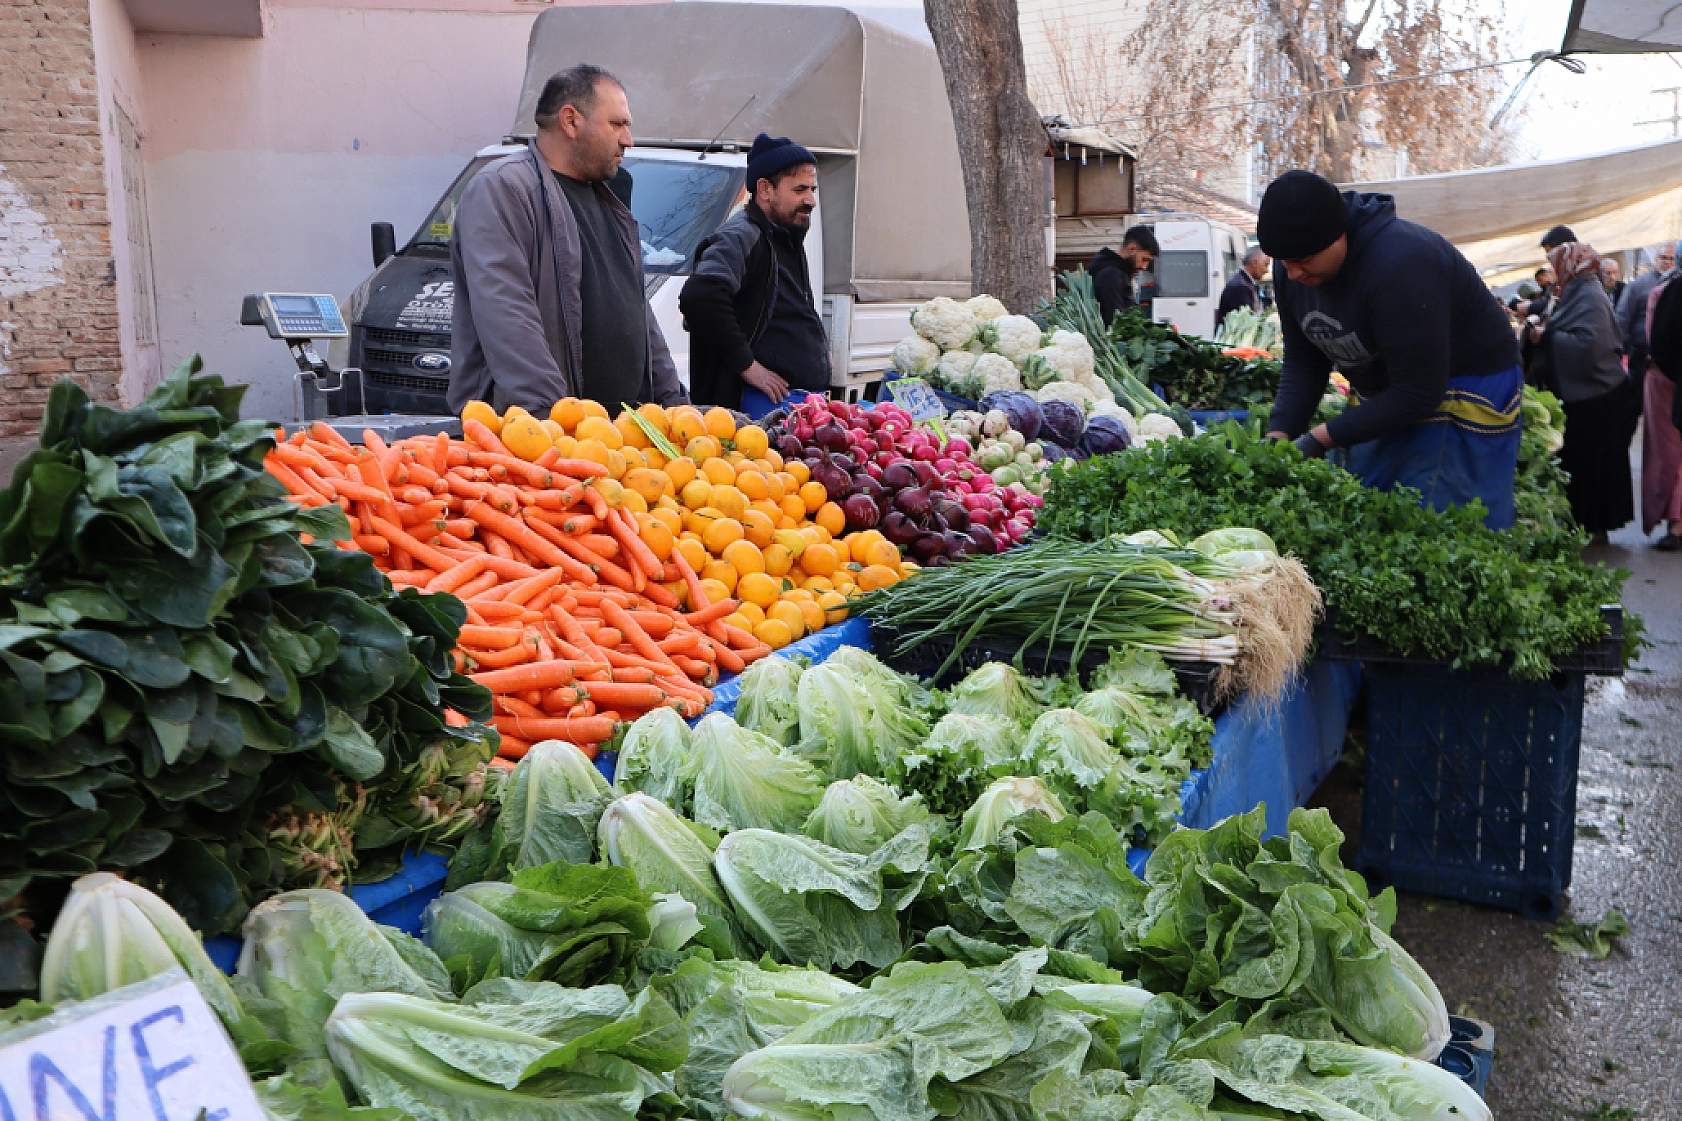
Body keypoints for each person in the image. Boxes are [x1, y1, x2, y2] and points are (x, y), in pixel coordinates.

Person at [1257, 170, 1522, 528]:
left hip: (1465, 388)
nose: (1292, 274)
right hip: (1391, 390)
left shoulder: (1400, 263)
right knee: (1378, 513)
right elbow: (1305, 359)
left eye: (1303, 261)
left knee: (1441, 523)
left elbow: (1417, 392)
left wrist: (1320, 439)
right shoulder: (1293, 268)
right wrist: (1282, 431)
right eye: (1283, 262)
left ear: (1338, 235)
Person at [447, 64, 686, 414]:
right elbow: (509, 317)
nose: (628, 140)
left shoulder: (610, 201)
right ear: (571, 121)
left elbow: (639, 315)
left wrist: (674, 405)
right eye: (617, 124)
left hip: (622, 441)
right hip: (543, 442)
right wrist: (555, 423)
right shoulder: (504, 189)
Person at [680, 134, 829, 415]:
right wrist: (748, 366)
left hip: (791, 405)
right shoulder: (741, 236)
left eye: (812, 189)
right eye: (799, 190)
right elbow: (700, 298)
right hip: (750, 406)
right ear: (764, 189)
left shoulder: (786, 237)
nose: (811, 200)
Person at [1538, 241, 1638, 541]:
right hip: (1589, 397)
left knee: (1596, 466)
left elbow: (1590, 346)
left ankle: (1595, 526)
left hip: (1600, 396)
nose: (1555, 272)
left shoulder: (1590, 295)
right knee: (1585, 464)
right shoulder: (1577, 292)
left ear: (1572, 266)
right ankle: (1585, 522)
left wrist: (1547, 335)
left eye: (1558, 265)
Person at [1641, 241, 1682, 548]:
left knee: (1669, 455)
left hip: (1668, 382)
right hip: (1670, 381)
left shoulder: (1666, 291)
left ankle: (1676, 523)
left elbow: (1658, 340)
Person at [1616, 243, 1675, 384]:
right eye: (1663, 257)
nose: (1667, 262)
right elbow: (1622, 317)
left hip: (1670, 356)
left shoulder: (1676, 285)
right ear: (1656, 260)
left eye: (1671, 258)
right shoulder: (1638, 285)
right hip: (1641, 354)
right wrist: (1622, 350)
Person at [1088, 226, 1159, 325]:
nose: (1144, 266)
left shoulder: (1117, 272)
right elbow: (1116, 322)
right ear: (1132, 249)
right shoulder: (1111, 275)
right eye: (1144, 259)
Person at [1215, 247, 1270, 332]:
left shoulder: (1245, 283)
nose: (1267, 270)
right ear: (1254, 263)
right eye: (1266, 265)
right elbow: (1245, 324)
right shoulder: (1240, 287)